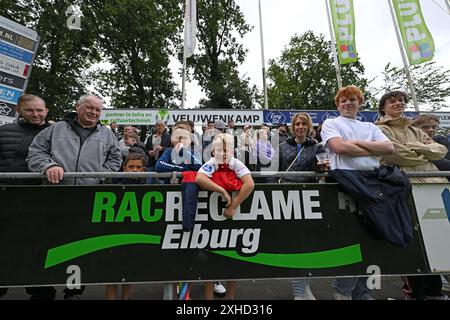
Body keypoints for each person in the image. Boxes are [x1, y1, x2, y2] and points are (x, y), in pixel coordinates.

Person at [27, 94, 122, 299]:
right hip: (55, 198)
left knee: (80, 246)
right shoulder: (55, 129)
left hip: (88, 199)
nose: (94, 113)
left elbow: (116, 158)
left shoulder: (106, 133)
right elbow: (35, 152)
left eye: (98, 110)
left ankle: (74, 290)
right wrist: (48, 166)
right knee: (49, 245)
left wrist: (100, 176)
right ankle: (45, 290)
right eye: (90, 108)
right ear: (77, 107)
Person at [321, 86, 395, 300]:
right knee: (350, 241)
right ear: (337, 105)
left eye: (352, 99)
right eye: (343, 101)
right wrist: (372, 148)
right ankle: (342, 291)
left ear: (359, 102)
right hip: (345, 184)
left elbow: (389, 148)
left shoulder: (369, 126)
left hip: (373, 184)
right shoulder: (331, 123)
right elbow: (339, 148)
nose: (347, 103)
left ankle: (362, 292)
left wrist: (355, 144)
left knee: (371, 238)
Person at [376, 92, 448, 300]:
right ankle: (414, 293)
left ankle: (434, 292)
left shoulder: (414, 130)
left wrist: (416, 147)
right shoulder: (379, 130)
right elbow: (396, 154)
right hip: (406, 189)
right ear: (383, 108)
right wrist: (425, 151)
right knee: (413, 243)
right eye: (392, 101)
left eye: (401, 101)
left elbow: (440, 150)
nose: (398, 103)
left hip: (435, 187)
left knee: (438, 240)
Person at [0, 94, 56, 300]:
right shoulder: (3, 132)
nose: (35, 114)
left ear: (46, 111)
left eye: (39, 110)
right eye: (30, 110)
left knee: (39, 248)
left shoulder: (55, 133)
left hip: (40, 201)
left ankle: (42, 290)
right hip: (7, 199)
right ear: (18, 110)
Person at [271, 112, 328, 300]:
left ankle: (305, 288)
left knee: (307, 245)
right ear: (292, 127)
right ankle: (299, 291)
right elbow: (274, 172)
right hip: (286, 197)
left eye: (304, 124)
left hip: (308, 197)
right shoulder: (281, 146)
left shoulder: (317, 147)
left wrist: (321, 168)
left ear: (309, 126)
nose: (300, 127)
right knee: (294, 245)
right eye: (297, 124)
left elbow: (320, 170)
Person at [196, 133, 254, 300]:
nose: (223, 153)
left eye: (227, 149)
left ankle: (230, 298)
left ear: (233, 151)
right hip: (210, 219)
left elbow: (249, 184)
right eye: (219, 150)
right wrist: (222, 191)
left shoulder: (236, 163)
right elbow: (200, 178)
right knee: (209, 256)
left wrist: (233, 205)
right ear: (213, 152)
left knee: (233, 258)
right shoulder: (212, 163)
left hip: (232, 218)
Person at [106, 153, 146, 300]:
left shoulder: (150, 185)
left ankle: (126, 298)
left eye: (138, 167)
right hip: (114, 234)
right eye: (131, 167)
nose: (135, 170)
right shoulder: (113, 185)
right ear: (124, 168)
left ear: (144, 169)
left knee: (130, 270)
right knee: (111, 272)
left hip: (135, 234)